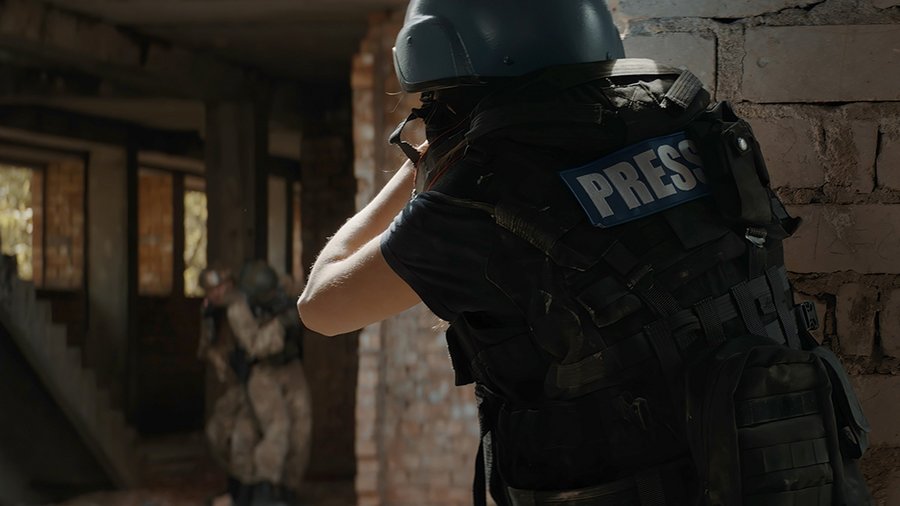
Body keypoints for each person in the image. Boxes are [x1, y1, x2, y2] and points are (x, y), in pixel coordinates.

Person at [298, 1, 872, 504]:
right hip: (793, 471)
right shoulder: (694, 121)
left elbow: (321, 305)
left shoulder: (475, 196)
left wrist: (431, 160)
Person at [199, 262, 312, 506]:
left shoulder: (278, 288)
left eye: (222, 286)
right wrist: (281, 324)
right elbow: (255, 346)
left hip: (289, 366)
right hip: (259, 372)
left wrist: (297, 303)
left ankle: (286, 489)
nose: (219, 293)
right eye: (213, 290)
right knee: (263, 430)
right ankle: (261, 491)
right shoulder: (236, 309)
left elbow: (305, 293)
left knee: (301, 428)